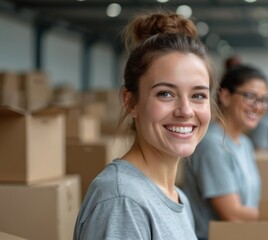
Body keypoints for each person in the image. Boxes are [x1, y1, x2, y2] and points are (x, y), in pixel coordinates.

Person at [74, 11, 218, 239]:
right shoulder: (122, 202)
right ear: (131, 102)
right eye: (166, 93)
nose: (185, 111)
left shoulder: (178, 198)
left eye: (198, 95)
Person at [183, 65, 268, 240]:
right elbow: (232, 214)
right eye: (250, 96)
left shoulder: (245, 143)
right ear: (225, 96)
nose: (258, 106)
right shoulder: (212, 145)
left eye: (264, 100)